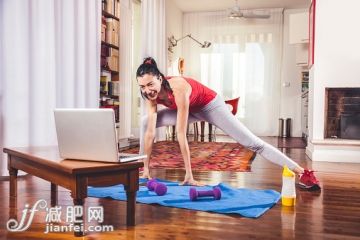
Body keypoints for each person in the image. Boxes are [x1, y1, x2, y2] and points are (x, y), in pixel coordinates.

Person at [136, 57, 320, 190]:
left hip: (210, 105)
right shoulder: (149, 94)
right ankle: (141, 168)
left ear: (160, 78)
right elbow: (150, 132)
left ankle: (303, 172)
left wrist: (189, 176)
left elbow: (181, 134)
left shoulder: (179, 88)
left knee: (252, 143)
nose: (147, 90)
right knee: (146, 122)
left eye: (150, 84)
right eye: (142, 87)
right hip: (192, 109)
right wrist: (147, 169)